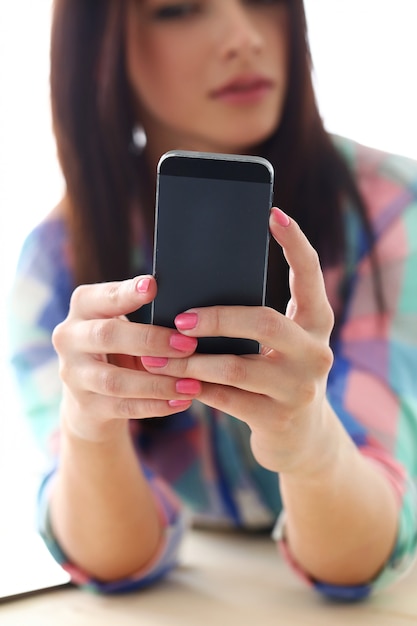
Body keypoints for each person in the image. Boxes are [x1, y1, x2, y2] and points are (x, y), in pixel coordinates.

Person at [8, 0, 417, 602]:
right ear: (101, 46)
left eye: (263, 1)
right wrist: (89, 428)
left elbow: (362, 557)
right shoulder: (55, 262)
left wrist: (311, 447)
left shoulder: (390, 207)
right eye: (178, 10)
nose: (244, 38)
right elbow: (112, 563)